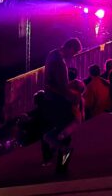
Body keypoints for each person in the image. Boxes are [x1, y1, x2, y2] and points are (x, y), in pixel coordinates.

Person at [42, 37, 82, 167]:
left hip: (51, 97)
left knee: (60, 127)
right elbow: (61, 87)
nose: (73, 56)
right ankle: (62, 156)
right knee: (71, 124)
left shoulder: (52, 54)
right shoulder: (59, 62)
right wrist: (73, 94)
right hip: (57, 99)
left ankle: (54, 151)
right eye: (74, 52)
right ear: (70, 48)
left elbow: (54, 82)